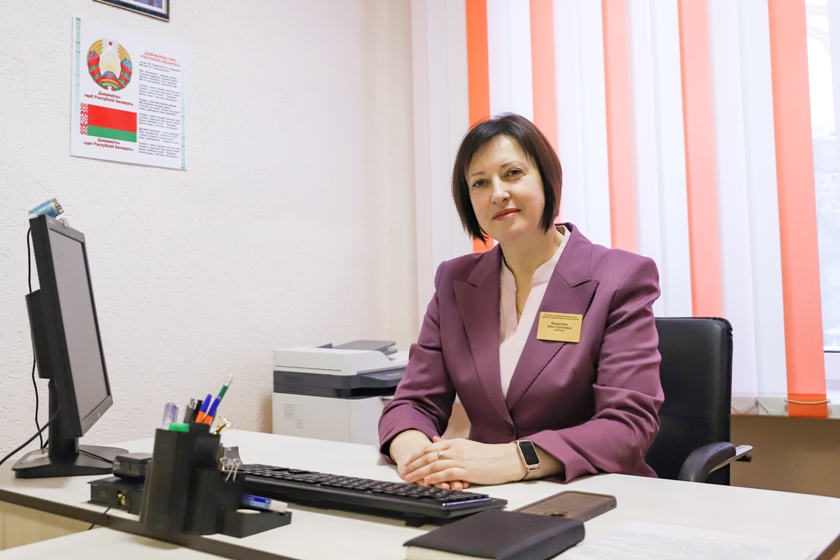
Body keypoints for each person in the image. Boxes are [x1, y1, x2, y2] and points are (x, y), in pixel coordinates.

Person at [379, 113, 663, 489]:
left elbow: (627, 426)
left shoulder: (620, 278)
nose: (497, 193)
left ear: (547, 179)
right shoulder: (455, 283)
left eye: (512, 173)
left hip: (594, 494)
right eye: (480, 183)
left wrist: (517, 458)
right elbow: (413, 402)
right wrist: (420, 460)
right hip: (482, 495)